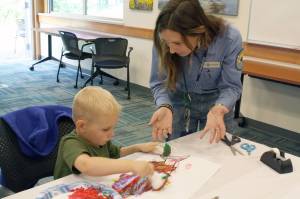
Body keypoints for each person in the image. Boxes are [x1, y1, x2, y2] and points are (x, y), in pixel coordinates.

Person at [149, 0, 243, 143]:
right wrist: (164, 105)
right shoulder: (164, 38)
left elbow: (232, 86)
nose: (171, 50)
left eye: (178, 43)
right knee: (177, 151)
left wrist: (219, 108)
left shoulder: (229, 38)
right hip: (179, 100)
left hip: (217, 102)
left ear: (199, 31)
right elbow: (159, 82)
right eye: (167, 43)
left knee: (220, 151)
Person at [54, 86, 158, 179]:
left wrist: (138, 147)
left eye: (113, 128)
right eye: (105, 129)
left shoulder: (100, 140)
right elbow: (86, 165)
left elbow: (118, 153)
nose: (112, 134)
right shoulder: (70, 143)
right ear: (82, 126)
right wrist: (132, 165)